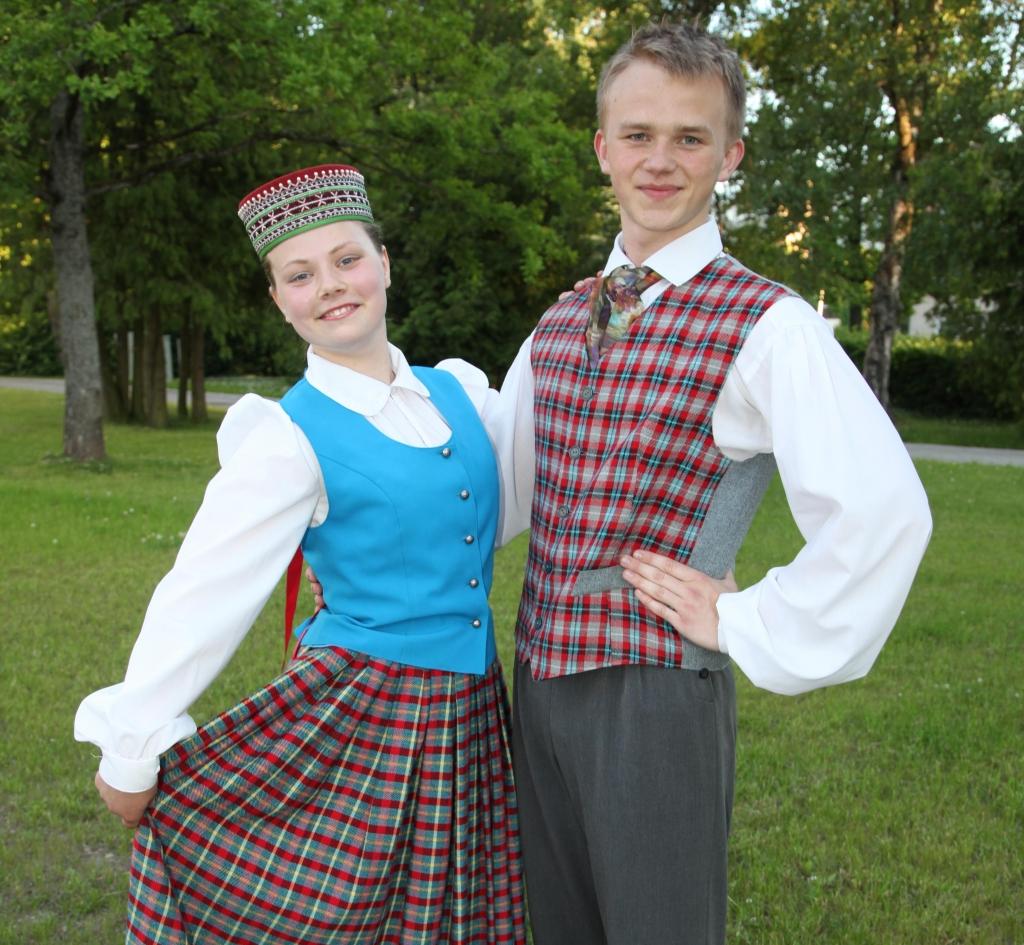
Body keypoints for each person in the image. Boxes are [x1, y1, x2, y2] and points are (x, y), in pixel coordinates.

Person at [492, 21, 933, 945]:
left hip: (655, 695)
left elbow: (884, 511)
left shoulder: (769, 325)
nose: (660, 160)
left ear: (729, 155)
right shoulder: (563, 318)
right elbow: (505, 488)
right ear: (603, 147)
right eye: (638, 134)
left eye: (689, 138)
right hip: (538, 681)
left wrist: (744, 619)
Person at [74, 164, 527, 944]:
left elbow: (503, 509)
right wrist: (133, 742)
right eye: (300, 274)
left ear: (385, 263)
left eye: (347, 259)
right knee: (346, 913)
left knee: (452, 909)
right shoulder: (286, 437)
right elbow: (205, 591)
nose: (331, 285)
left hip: (471, 706)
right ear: (279, 300)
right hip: (363, 706)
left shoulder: (459, 393)